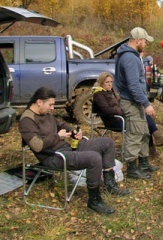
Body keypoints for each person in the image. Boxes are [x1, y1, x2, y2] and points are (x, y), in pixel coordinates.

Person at [18, 87, 129, 215]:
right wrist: (58, 136)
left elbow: (61, 125)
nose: (52, 108)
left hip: (66, 150)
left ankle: (110, 184)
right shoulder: (27, 120)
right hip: (53, 157)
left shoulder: (45, 114)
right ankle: (94, 200)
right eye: (50, 104)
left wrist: (74, 131)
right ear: (39, 102)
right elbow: (37, 146)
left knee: (107, 142)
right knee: (94, 157)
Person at [92, 72, 163, 156]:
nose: (110, 84)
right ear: (101, 83)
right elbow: (106, 110)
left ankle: (155, 141)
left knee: (142, 116)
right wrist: (121, 110)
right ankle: (155, 140)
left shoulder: (111, 92)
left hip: (121, 117)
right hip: (114, 121)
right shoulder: (98, 94)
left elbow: (120, 103)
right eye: (107, 82)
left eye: (111, 82)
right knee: (142, 121)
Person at [114, 27, 159, 179]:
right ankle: (132, 169)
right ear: (138, 40)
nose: (146, 44)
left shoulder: (131, 56)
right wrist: (146, 103)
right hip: (131, 102)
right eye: (145, 41)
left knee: (144, 132)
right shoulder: (129, 58)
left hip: (136, 101)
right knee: (134, 135)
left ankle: (144, 163)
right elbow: (133, 85)